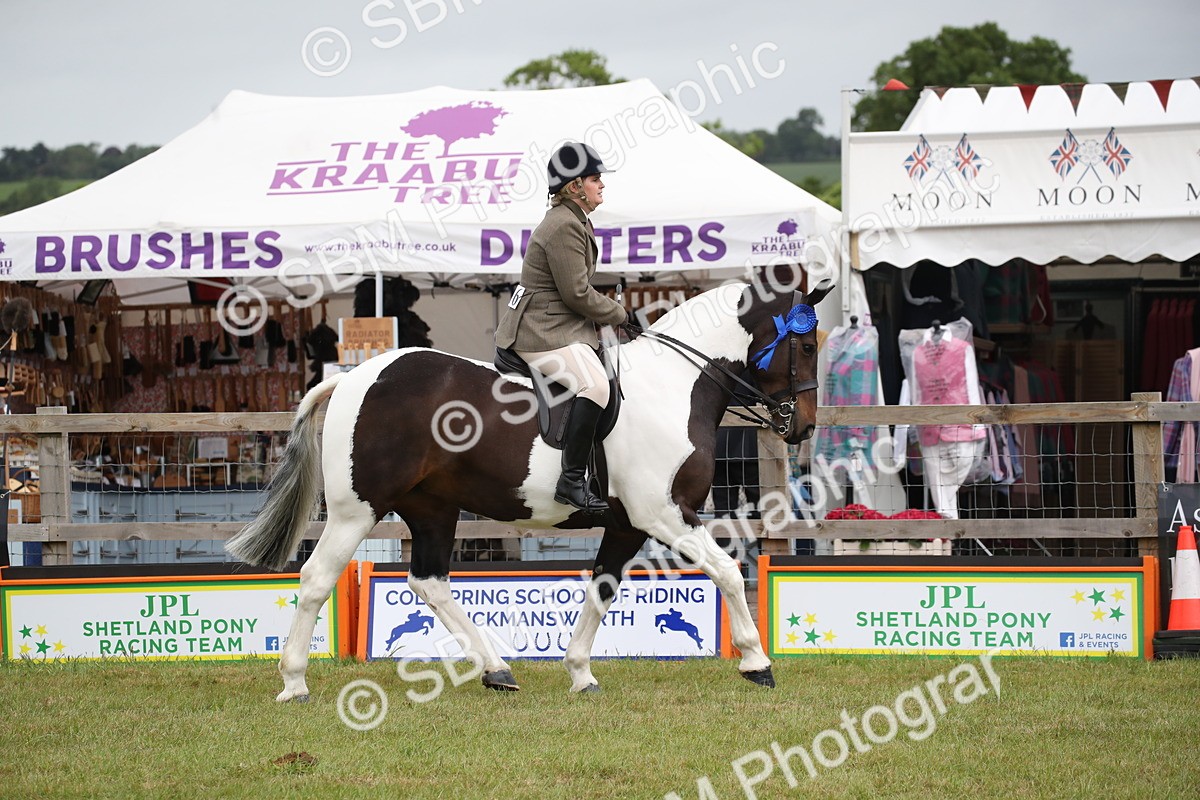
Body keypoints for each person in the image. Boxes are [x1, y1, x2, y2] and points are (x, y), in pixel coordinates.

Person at [494, 142, 628, 512]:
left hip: (557, 324)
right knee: (595, 384)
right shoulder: (563, 226)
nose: (601, 184)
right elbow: (578, 294)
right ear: (574, 187)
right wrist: (619, 314)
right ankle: (570, 481)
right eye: (594, 179)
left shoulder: (576, 219)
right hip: (540, 330)